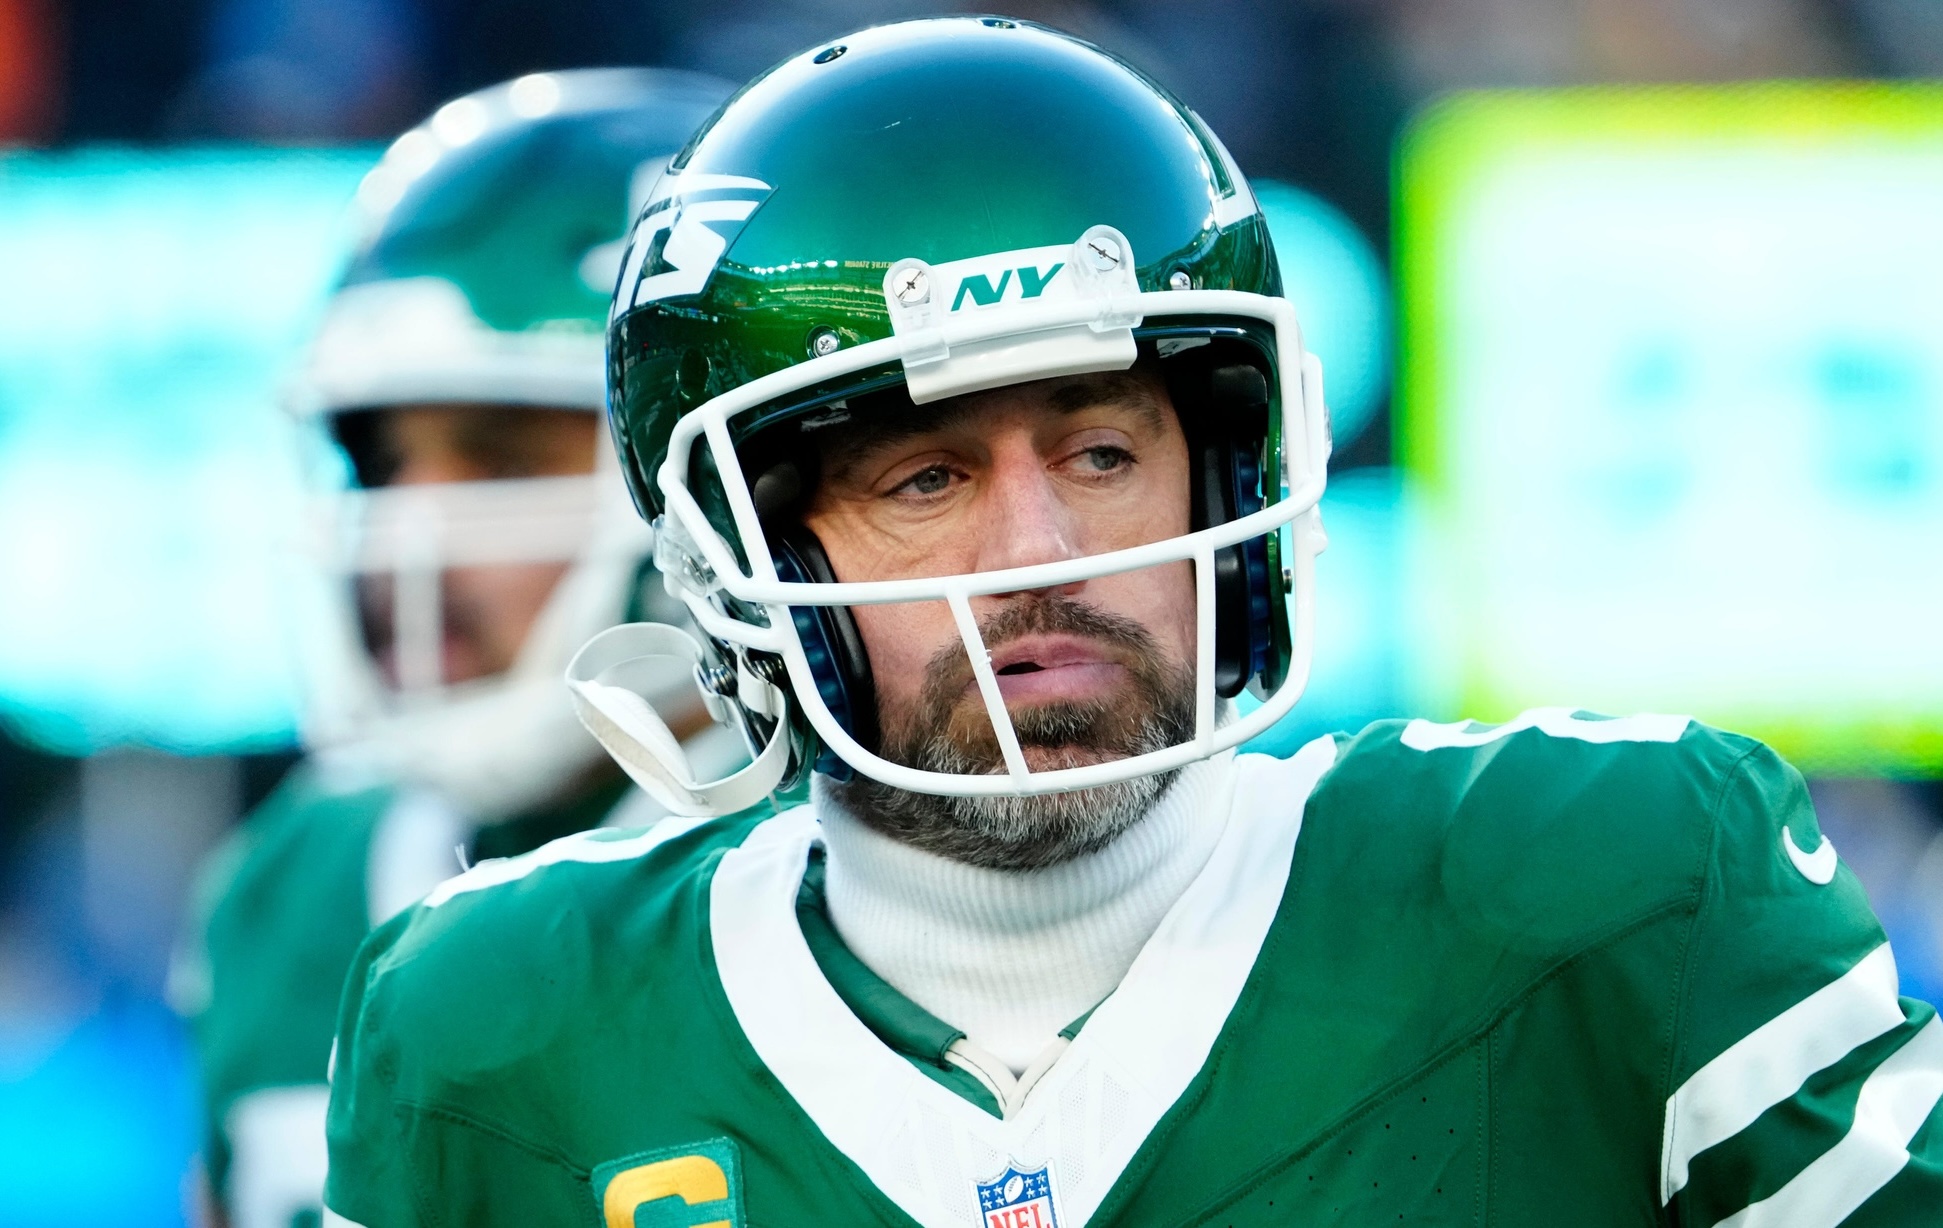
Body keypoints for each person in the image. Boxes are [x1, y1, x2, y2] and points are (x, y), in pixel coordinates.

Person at [322, 21, 1943, 1228]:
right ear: (743, 550)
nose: (1040, 553)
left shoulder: (1614, 877)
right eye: (924, 478)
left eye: (1101, 453)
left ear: (1229, 469)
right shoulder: (492, 1029)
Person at [173, 68, 743, 1228]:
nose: (406, 534)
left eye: (500, 453)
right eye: (382, 461)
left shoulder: (865, 878)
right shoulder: (296, 882)